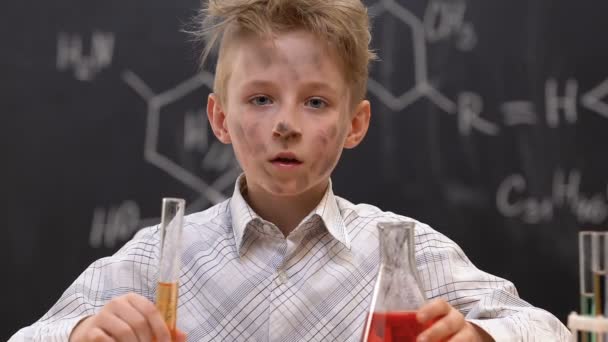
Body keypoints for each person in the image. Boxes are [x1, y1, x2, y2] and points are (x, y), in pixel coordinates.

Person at [10, 0, 571, 341]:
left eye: (316, 102)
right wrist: (84, 333)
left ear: (356, 124)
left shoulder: (401, 251)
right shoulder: (161, 255)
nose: (285, 125)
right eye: (259, 99)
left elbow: (546, 330)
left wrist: (476, 335)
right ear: (219, 117)